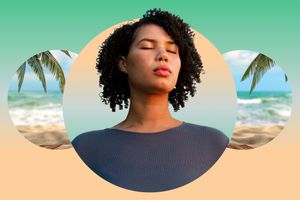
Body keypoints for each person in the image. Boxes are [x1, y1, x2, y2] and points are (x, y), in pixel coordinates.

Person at [72, 8, 229, 192]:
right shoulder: (85, 148)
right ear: (123, 64)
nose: (163, 55)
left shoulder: (214, 143)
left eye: (172, 50)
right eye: (147, 46)